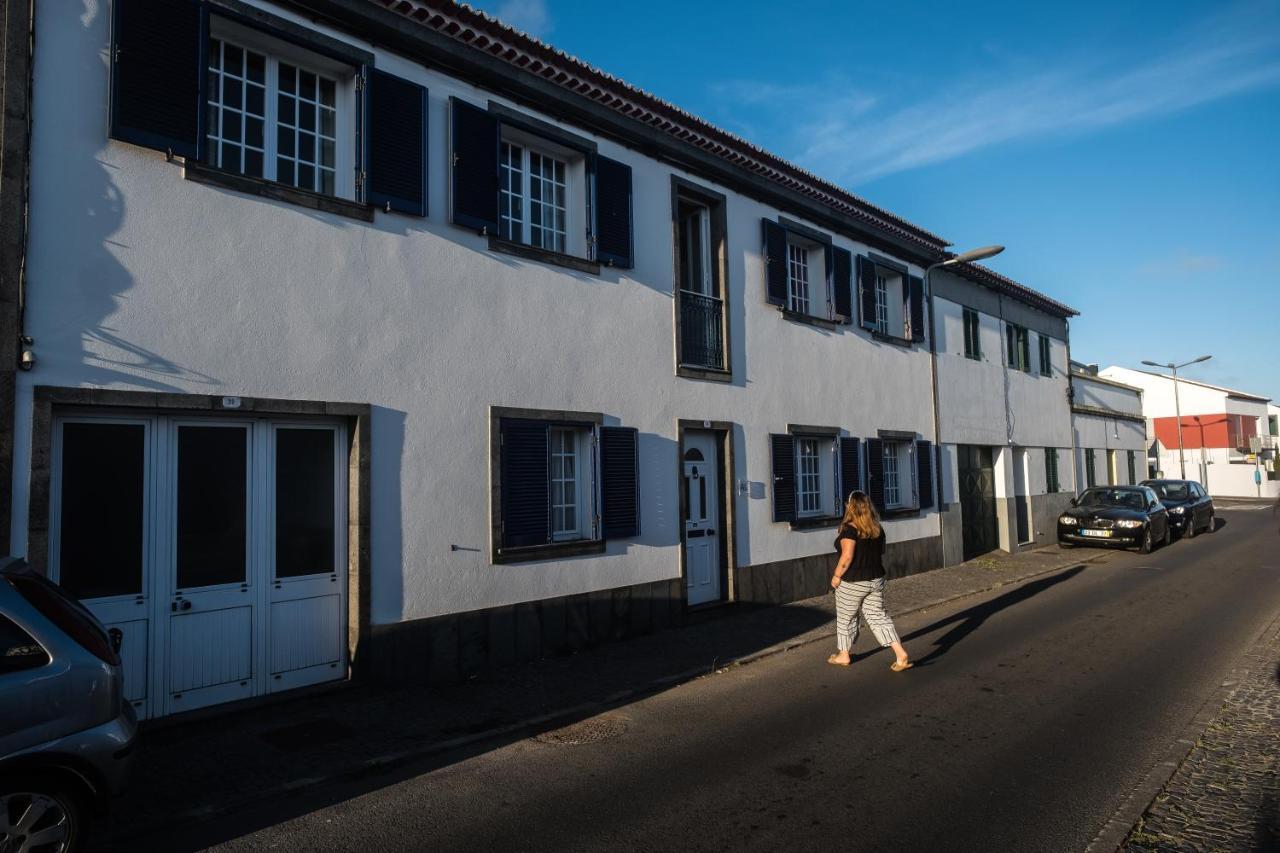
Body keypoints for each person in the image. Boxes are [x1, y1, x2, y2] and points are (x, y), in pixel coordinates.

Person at [827, 490, 912, 671]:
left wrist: (836, 576)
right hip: (876, 578)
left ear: (850, 507)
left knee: (846, 617)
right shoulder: (876, 528)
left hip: (853, 581)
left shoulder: (849, 529)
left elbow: (847, 557)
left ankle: (843, 655)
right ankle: (900, 654)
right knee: (878, 616)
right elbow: (880, 553)